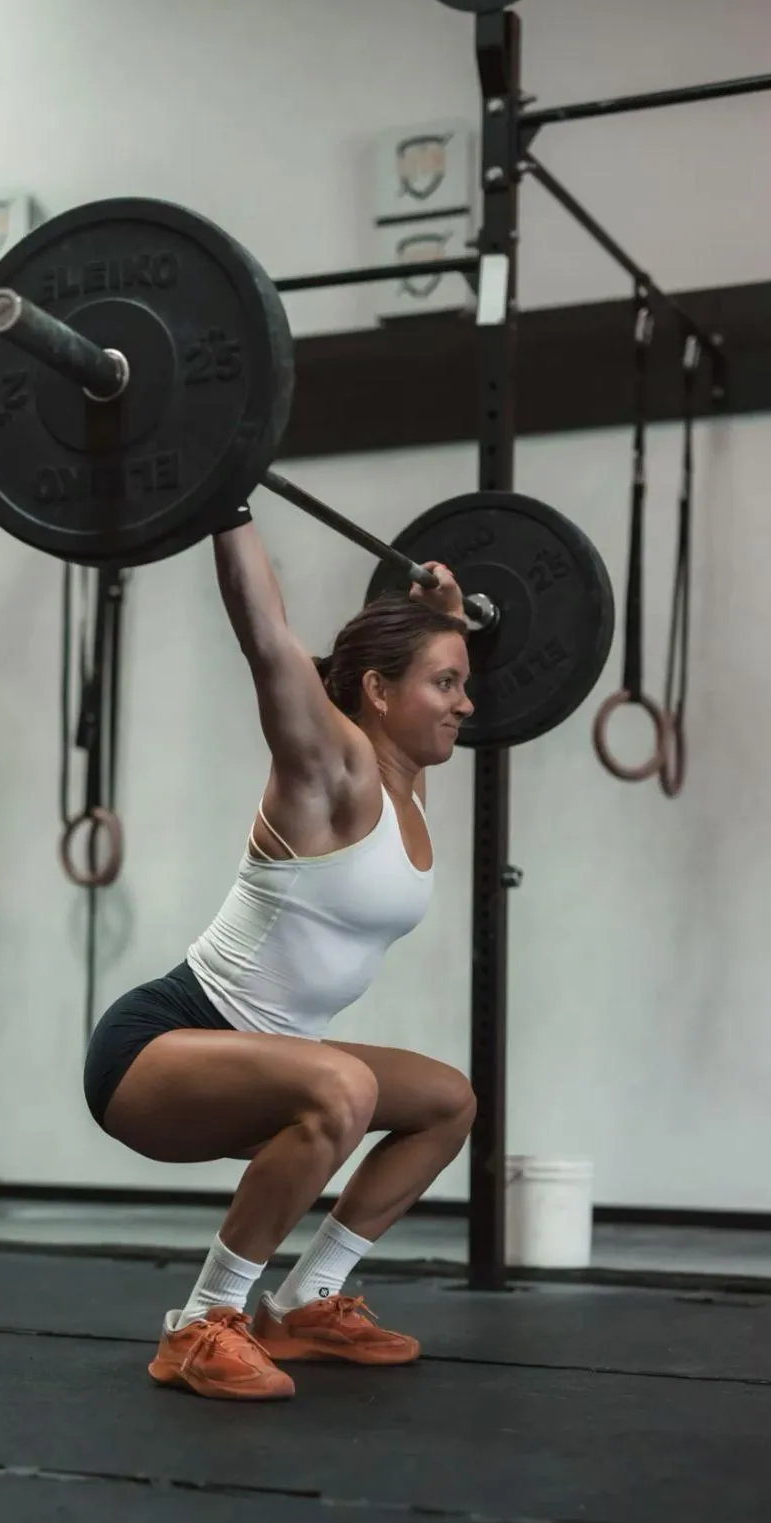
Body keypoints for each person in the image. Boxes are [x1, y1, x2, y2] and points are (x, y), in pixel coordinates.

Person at [84, 507, 478, 1401]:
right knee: (346, 1086)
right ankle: (201, 1321)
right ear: (377, 692)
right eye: (447, 684)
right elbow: (266, 638)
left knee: (448, 1102)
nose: (466, 703)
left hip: (275, 1061)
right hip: (156, 1052)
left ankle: (308, 1303)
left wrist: (445, 614)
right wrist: (225, 500)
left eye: (463, 684)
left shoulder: (408, 786)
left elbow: (386, 652)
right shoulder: (329, 768)